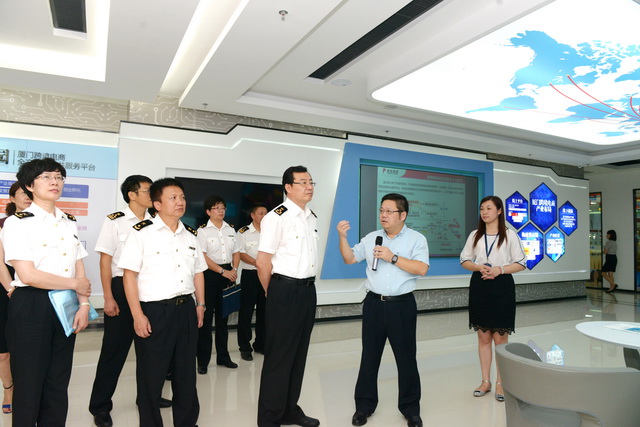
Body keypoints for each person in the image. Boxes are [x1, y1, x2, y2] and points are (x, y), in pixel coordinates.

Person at [1, 158, 92, 425]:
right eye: (46, 177)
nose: (55, 182)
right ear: (29, 185)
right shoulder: (17, 223)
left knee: (58, 382)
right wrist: (75, 286)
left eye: (58, 177)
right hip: (32, 305)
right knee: (29, 384)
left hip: (65, 305)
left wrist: (84, 305)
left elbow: (78, 266)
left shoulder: (68, 222)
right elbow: (28, 275)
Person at [119, 178, 206, 427]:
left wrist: (200, 304)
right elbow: (129, 276)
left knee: (185, 374)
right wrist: (137, 315)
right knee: (151, 375)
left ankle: (187, 422)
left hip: (186, 309)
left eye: (182, 197)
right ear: (157, 204)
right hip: (155, 312)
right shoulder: (141, 233)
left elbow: (198, 272)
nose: (180, 202)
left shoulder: (190, 234)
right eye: (173, 198)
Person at [337, 193, 429, 427]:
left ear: (403, 215)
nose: (383, 215)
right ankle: (363, 407)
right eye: (381, 211)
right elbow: (350, 258)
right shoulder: (372, 238)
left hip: (402, 305)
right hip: (374, 305)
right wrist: (342, 238)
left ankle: (410, 409)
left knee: (406, 359)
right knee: (369, 357)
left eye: (389, 211)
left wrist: (393, 257)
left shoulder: (416, 239)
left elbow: (421, 268)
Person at [89, 175, 174, 427]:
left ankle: (147, 399)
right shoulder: (115, 221)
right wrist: (108, 296)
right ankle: (100, 406)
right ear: (132, 195)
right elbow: (105, 262)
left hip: (150, 290)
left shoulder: (156, 221)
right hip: (121, 289)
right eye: (147, 191)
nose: (151, 194)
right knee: (114, 351)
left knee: (150, 352)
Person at [256, 165, 319, 427]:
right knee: (279, 357)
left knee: (298, 355)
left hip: (307, 291)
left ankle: (289, 410)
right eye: (303, 182)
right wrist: (273, 292)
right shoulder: (277, 217)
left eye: (311, 182)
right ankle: (270, 417)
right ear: (288, 187)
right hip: (284, 290)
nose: (309, 187)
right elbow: (262, 262)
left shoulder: (311, 217)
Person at [460, 195, 526, 402]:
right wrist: (478, 266)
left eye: (489, 208)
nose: (484, 212)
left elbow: (521, 263)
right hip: (480, 285)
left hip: (501, 286)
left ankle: (501, 382)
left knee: (500, 339)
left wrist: (500, 270)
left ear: (499, 211)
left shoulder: (510, 235)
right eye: (482, 208)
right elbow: (464, 260)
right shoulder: (475, 235)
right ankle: (485, 381)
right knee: (483, 337)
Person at [196, 195, 240, 373]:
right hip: (210, 275)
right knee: (206, 320)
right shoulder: (202, 231)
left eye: (223, 207)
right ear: (208, 211)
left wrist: (234, 269)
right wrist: (223, 271)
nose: (221, 211)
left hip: (228, 274)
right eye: (216, 208)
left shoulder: (231, 229)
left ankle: (223, 357)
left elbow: (236, 252)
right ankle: (203, 361)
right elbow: (203, 257)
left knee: (223, 319)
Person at [0, 181, 31, 415]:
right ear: (12, 198)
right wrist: (11, 288)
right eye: (22, 193)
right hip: (6, 288)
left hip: (32, 289)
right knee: (4, 351)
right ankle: (8, 389)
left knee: (28, 347)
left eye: (30, 192)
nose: (27, 196)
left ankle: (28, 389)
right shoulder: (4, 224)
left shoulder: (41, 223)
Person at [237, 203, 268, 361]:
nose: (264, 216)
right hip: (250, 275)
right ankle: (245, 347)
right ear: (253, 215)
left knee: (264, 312)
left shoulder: (271, 232)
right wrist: (259, 263)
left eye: (266, 213)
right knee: (246, 313)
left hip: (267, 275)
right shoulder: (243, 232)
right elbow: (241, 254)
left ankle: (260, 343)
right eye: (261, 213)